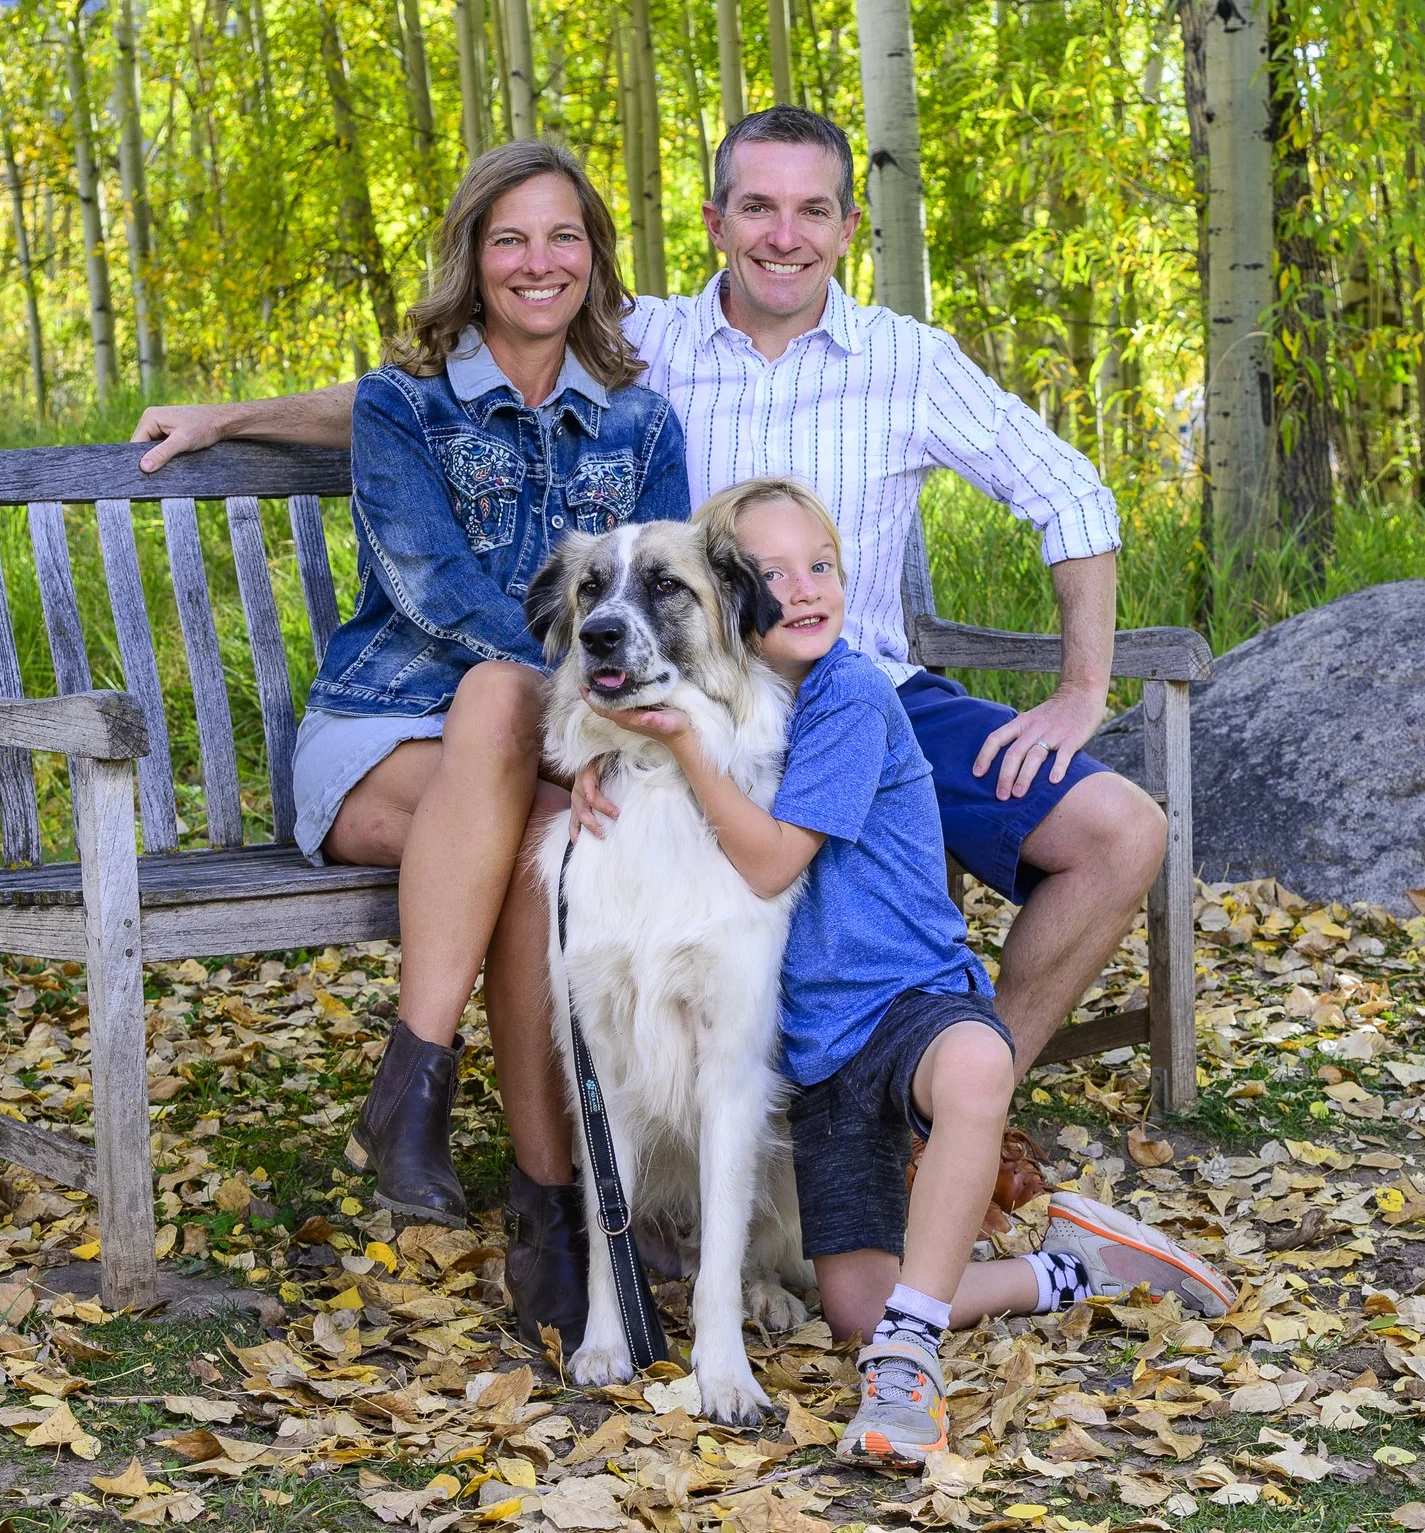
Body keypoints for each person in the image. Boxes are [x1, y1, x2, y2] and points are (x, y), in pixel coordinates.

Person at [133, 106, 1168, 1155]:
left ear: (849, 226)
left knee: (1120, 833)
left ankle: (953, 1114)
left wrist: (1082, 689)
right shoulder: (648, 350)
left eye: (812, 210)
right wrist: (230, 418)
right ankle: (604, 1161)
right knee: (583, 834)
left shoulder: (911, 360)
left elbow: (1072, 497)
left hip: (865, 697)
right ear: (715, 221)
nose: (783, 235)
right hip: (686, 711)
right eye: (756, 207)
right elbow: (429, 395)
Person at [579, 479, 1233, 1467]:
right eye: (770, 575)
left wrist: (670, 741)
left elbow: (767, 862)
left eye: (822, 568)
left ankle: (910, 1362)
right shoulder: (740, 702)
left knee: (975, 1068)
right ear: (727, 601)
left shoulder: (848, 694)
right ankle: (1072, 1268)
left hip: (904, 1003)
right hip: (819, 1056)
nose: (801, 591)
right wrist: (613, 757)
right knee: (848, 1303)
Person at [298, 140, 688, 1349]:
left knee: (540, 846)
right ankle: (546, 1206)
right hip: (382, 739)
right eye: (510, 237)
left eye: (562, 237)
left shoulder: (640, 423)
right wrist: (568, 701)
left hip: (546, 758)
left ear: (594, 258)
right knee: (495, 702)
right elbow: (431, 588)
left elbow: (670, 593)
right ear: (473, 255)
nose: (537, 261)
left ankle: (450, 1133)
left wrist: (577, 724)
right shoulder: (397, 406)